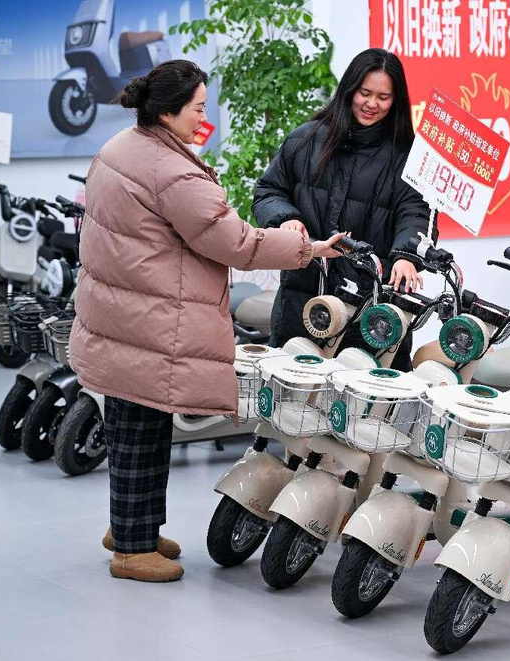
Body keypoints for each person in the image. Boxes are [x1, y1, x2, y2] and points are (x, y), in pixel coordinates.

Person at [68, 60, 344, 583]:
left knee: (137, 426)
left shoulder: (123, 148)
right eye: (197, 107)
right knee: (141, 431)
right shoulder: (169, 170)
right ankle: (130, 547)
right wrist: (306, 248)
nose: (203, 116)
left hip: (125, 314)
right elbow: (233, 241)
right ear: (169, 112)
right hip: (148, 320)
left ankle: (133, 528)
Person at [253, 48, 433, 369]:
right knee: (298, 402)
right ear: (349, 89)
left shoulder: (408, 155)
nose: (371, 103)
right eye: (364, 93)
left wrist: (407, 255)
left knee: (369, 407)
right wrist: (287, 218)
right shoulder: (305, 140)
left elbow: (415, 210)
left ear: (397, 100)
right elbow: (269, 191)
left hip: (373, 308)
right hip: (304, 298)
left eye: (383, 96)